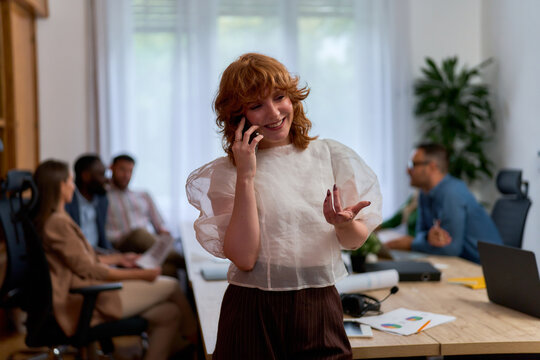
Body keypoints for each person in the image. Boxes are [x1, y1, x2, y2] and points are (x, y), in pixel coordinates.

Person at [186, 53, 382, 359]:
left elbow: (355, 241)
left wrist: (343, 223)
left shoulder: (330, 155)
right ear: (239, 116)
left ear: (293, 99)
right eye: (256, 105)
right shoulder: (227, 173)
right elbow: (244, 258)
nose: (274, 112)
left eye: (280, 97)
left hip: (319, 305)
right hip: (252, 309)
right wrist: (246, 175)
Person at [33, 159, 198, 360]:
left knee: (169, 313)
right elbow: (90, 270)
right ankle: (196, 340)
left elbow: (85, 259)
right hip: (87, 300)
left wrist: (120, 258)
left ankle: (189, 343)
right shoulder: (57, 223)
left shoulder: (59, 219)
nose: (72, 185)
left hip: (93, 290)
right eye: (69, 181)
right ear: (59, 186)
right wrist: (141, 274)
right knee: (172, 286)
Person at [385, 143, 502, 263]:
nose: (408, 170)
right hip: (457, 264)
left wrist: (411, 244)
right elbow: (419, 234)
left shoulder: (452, 193)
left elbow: (450, 250)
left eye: (413, 164)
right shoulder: (424, 193)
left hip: (484, 268)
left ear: (432, 167)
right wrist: (426, 238)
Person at [106, 154, 186, 278]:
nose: (126, 175)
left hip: (146, 246)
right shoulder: (103, 196)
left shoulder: (143, 195)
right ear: (111, 168)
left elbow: (160, 226)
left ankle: (185, 265)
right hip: (123, 245)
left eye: (130, 171)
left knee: (170, 269)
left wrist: (165, 236)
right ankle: (186, 261)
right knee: (138, 233)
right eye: (122, 170)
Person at [65, 154, 113, 252]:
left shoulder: (102, 200)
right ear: (86, 176)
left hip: (98, 253)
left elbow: (103, 240)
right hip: (78, 256)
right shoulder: (67, 201)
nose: (107, 180)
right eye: (101, 174)